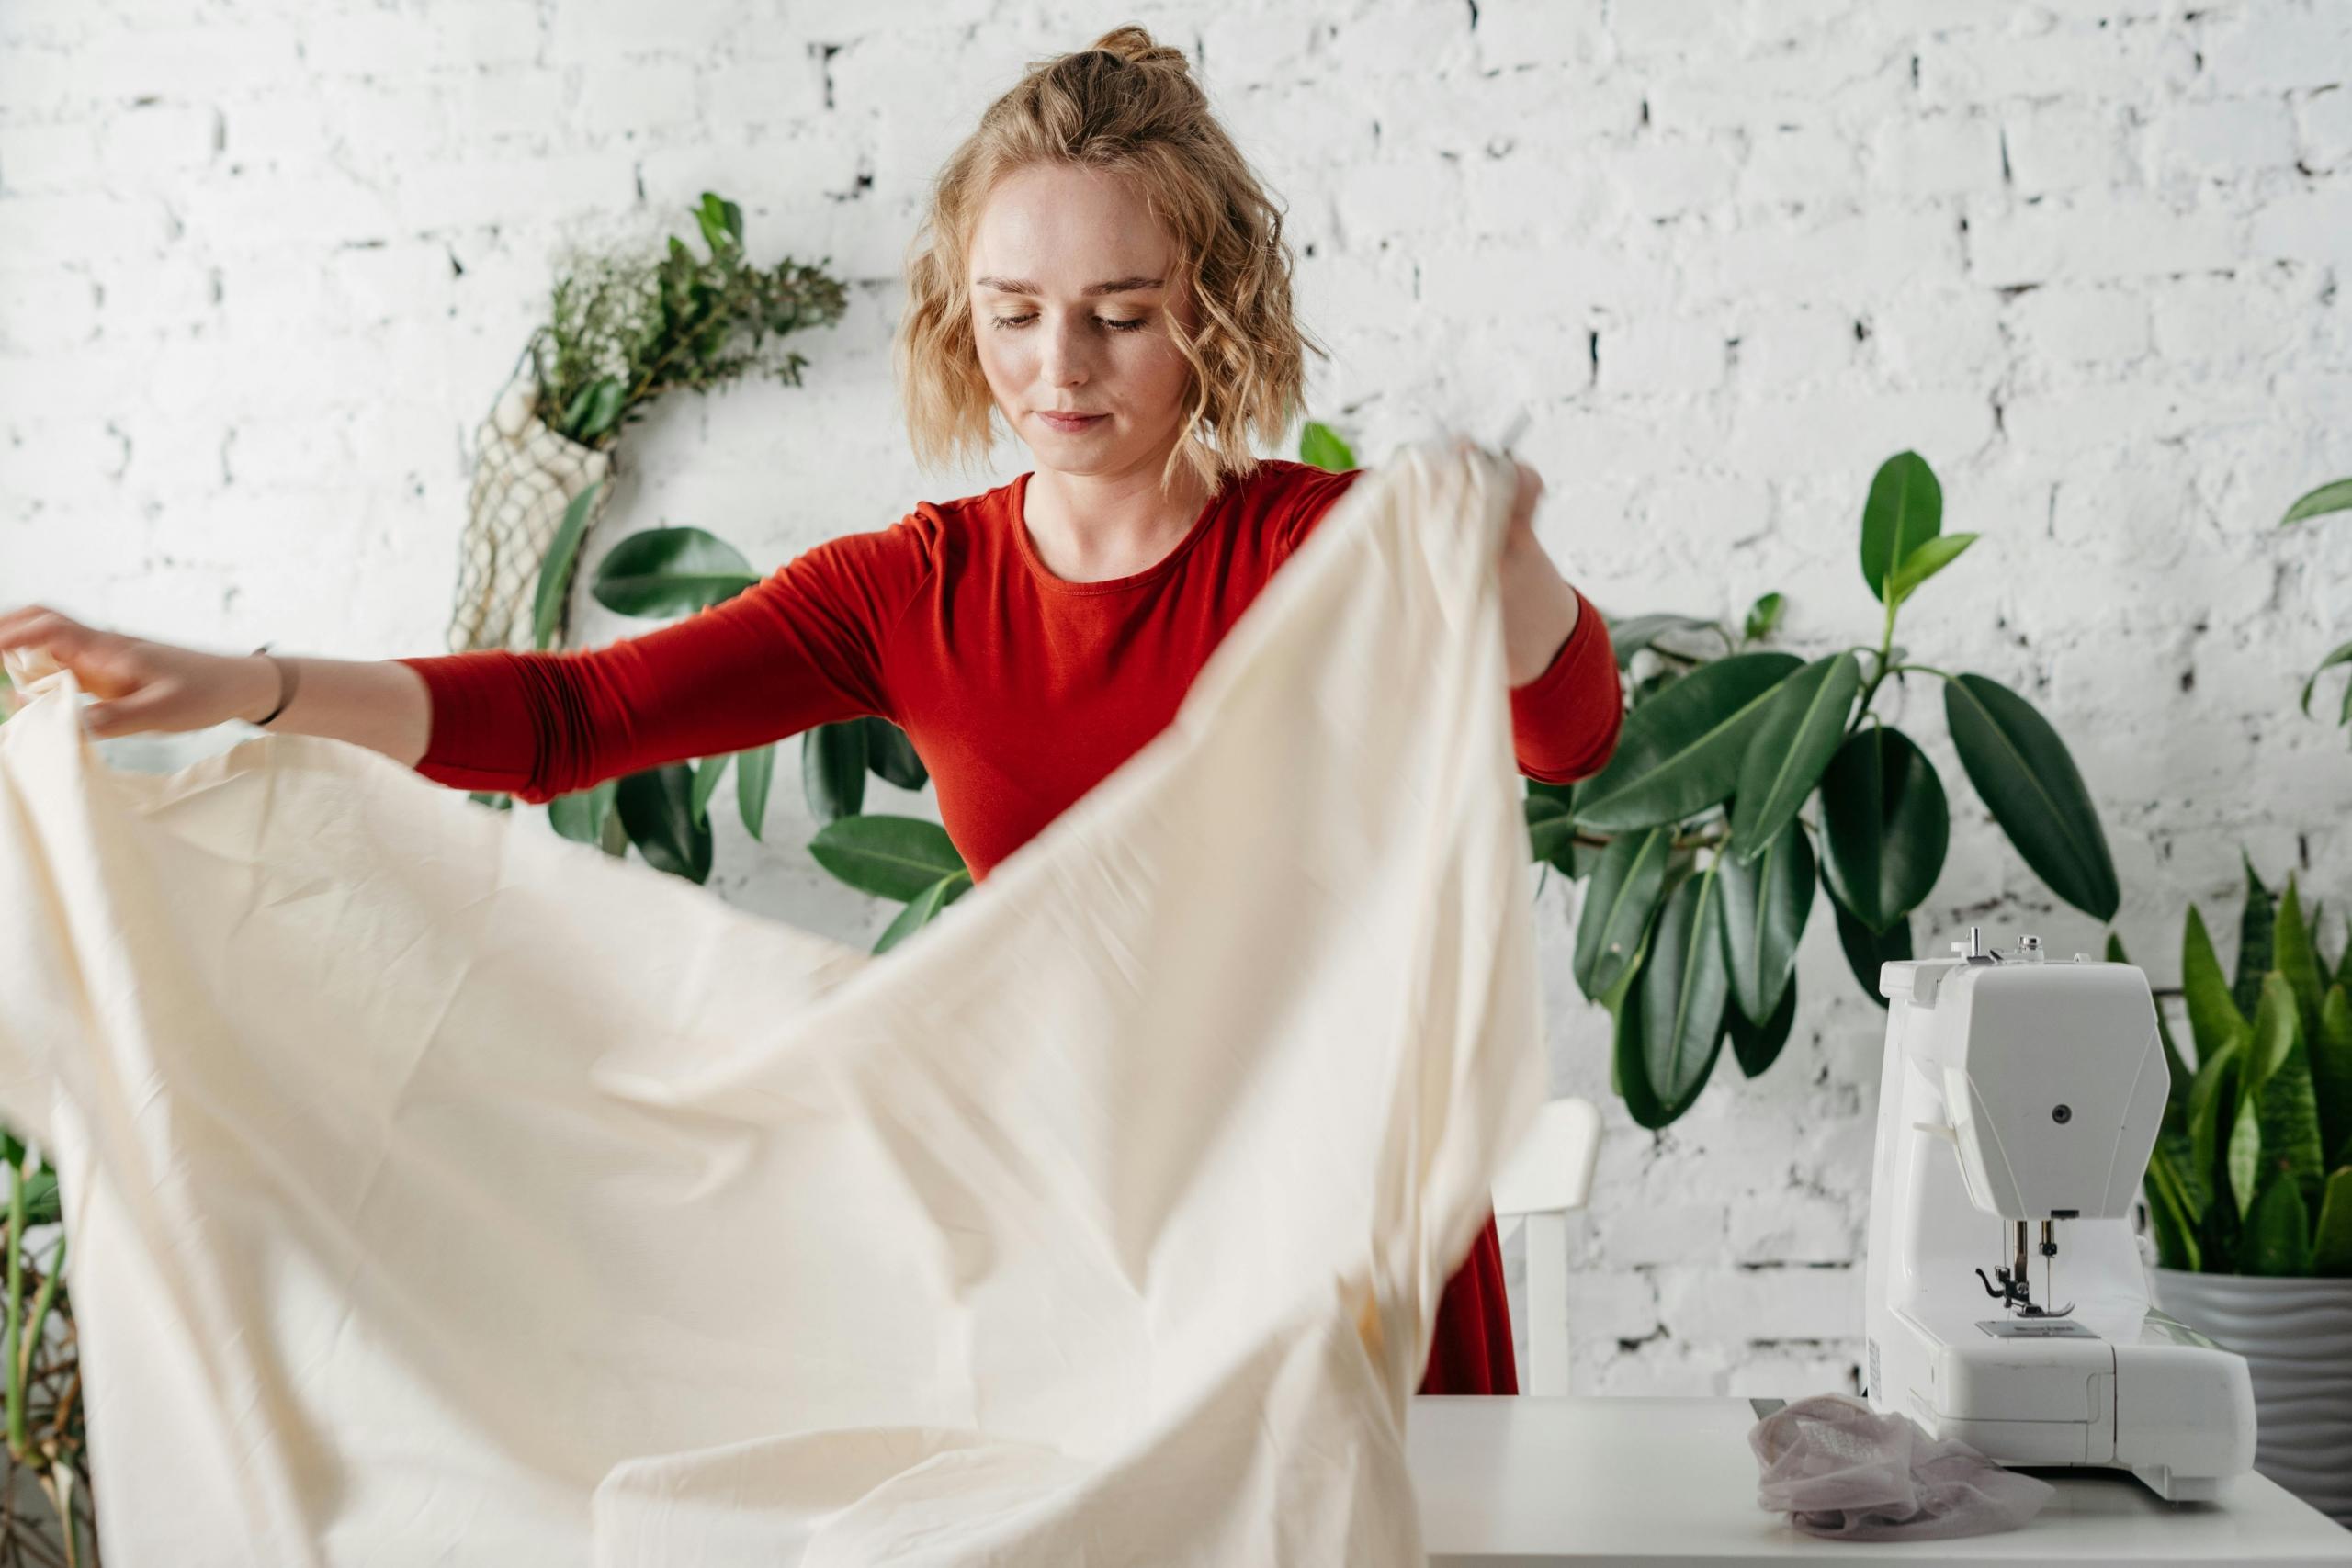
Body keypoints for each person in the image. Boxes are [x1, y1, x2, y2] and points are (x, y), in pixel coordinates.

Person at [0, 26, 1621, 1395]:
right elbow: (574, 722)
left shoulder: (1322, 553)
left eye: (1122, 313)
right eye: (1012, 312)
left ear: (1215, 311)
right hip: (1088, 1241)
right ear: (958, 307)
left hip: (1341, 1231)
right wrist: (246, 688)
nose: (1060, 365)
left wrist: (1510, 560)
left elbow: (1572, 742)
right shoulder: (910, 591)